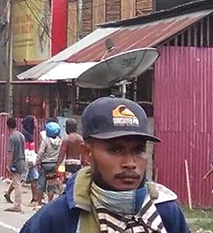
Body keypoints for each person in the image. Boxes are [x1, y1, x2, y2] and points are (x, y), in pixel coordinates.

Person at [21, 97, 191, 233]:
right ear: (87, 153)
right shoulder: (57, 219)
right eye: (115, 150)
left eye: (138, 150)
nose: (130, 163)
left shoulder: (166, 212)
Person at [37, 121, 63, 203]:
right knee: (51, 184)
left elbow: (41, 152)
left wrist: (37, 161)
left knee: (41, 183)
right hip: (54, 164)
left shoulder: (46, 140)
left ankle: (39, 202)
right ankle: (50, 202)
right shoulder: (60, 141)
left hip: (45, 164)